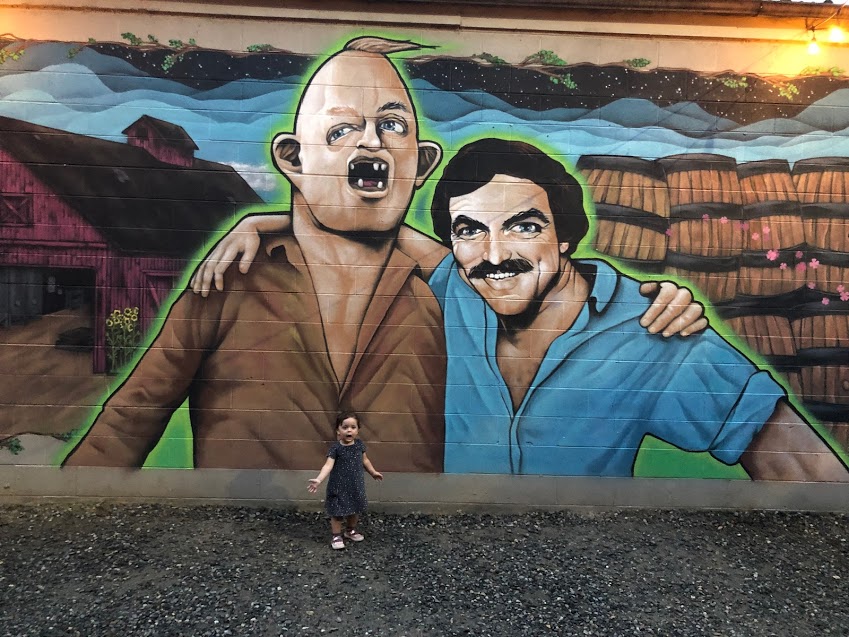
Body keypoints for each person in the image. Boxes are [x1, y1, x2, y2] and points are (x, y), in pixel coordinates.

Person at [197, 138, 848, 481]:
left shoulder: (651, 330)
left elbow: (801, 469)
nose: (493, 253)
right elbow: (362, 224)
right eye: (470, 230)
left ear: (564, 235)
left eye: (523, 227)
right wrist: (263, 223)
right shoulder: (450, 285)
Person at [62, 37, 450, 471]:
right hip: (243, 529)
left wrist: (265, 220)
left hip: (394, 534)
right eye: (341, 130)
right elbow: (130, 417)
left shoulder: (442, 301)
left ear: (423, 164)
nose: (372, 141)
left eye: (393, 126)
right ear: (292, 160)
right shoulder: (231, 278)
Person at [309, 412, 383, 550]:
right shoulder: (336, 448)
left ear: (357, 430)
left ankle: (350, 530)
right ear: (338, 430)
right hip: (338, 486)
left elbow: (365, 460)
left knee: (354, 509)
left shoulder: (359, 445)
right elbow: (328, 465)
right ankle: (336, 536)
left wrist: (373, 472)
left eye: (353, 427)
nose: (349, 430)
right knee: (337, 511)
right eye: (345, 427)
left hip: (355, 485)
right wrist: (319, 479)